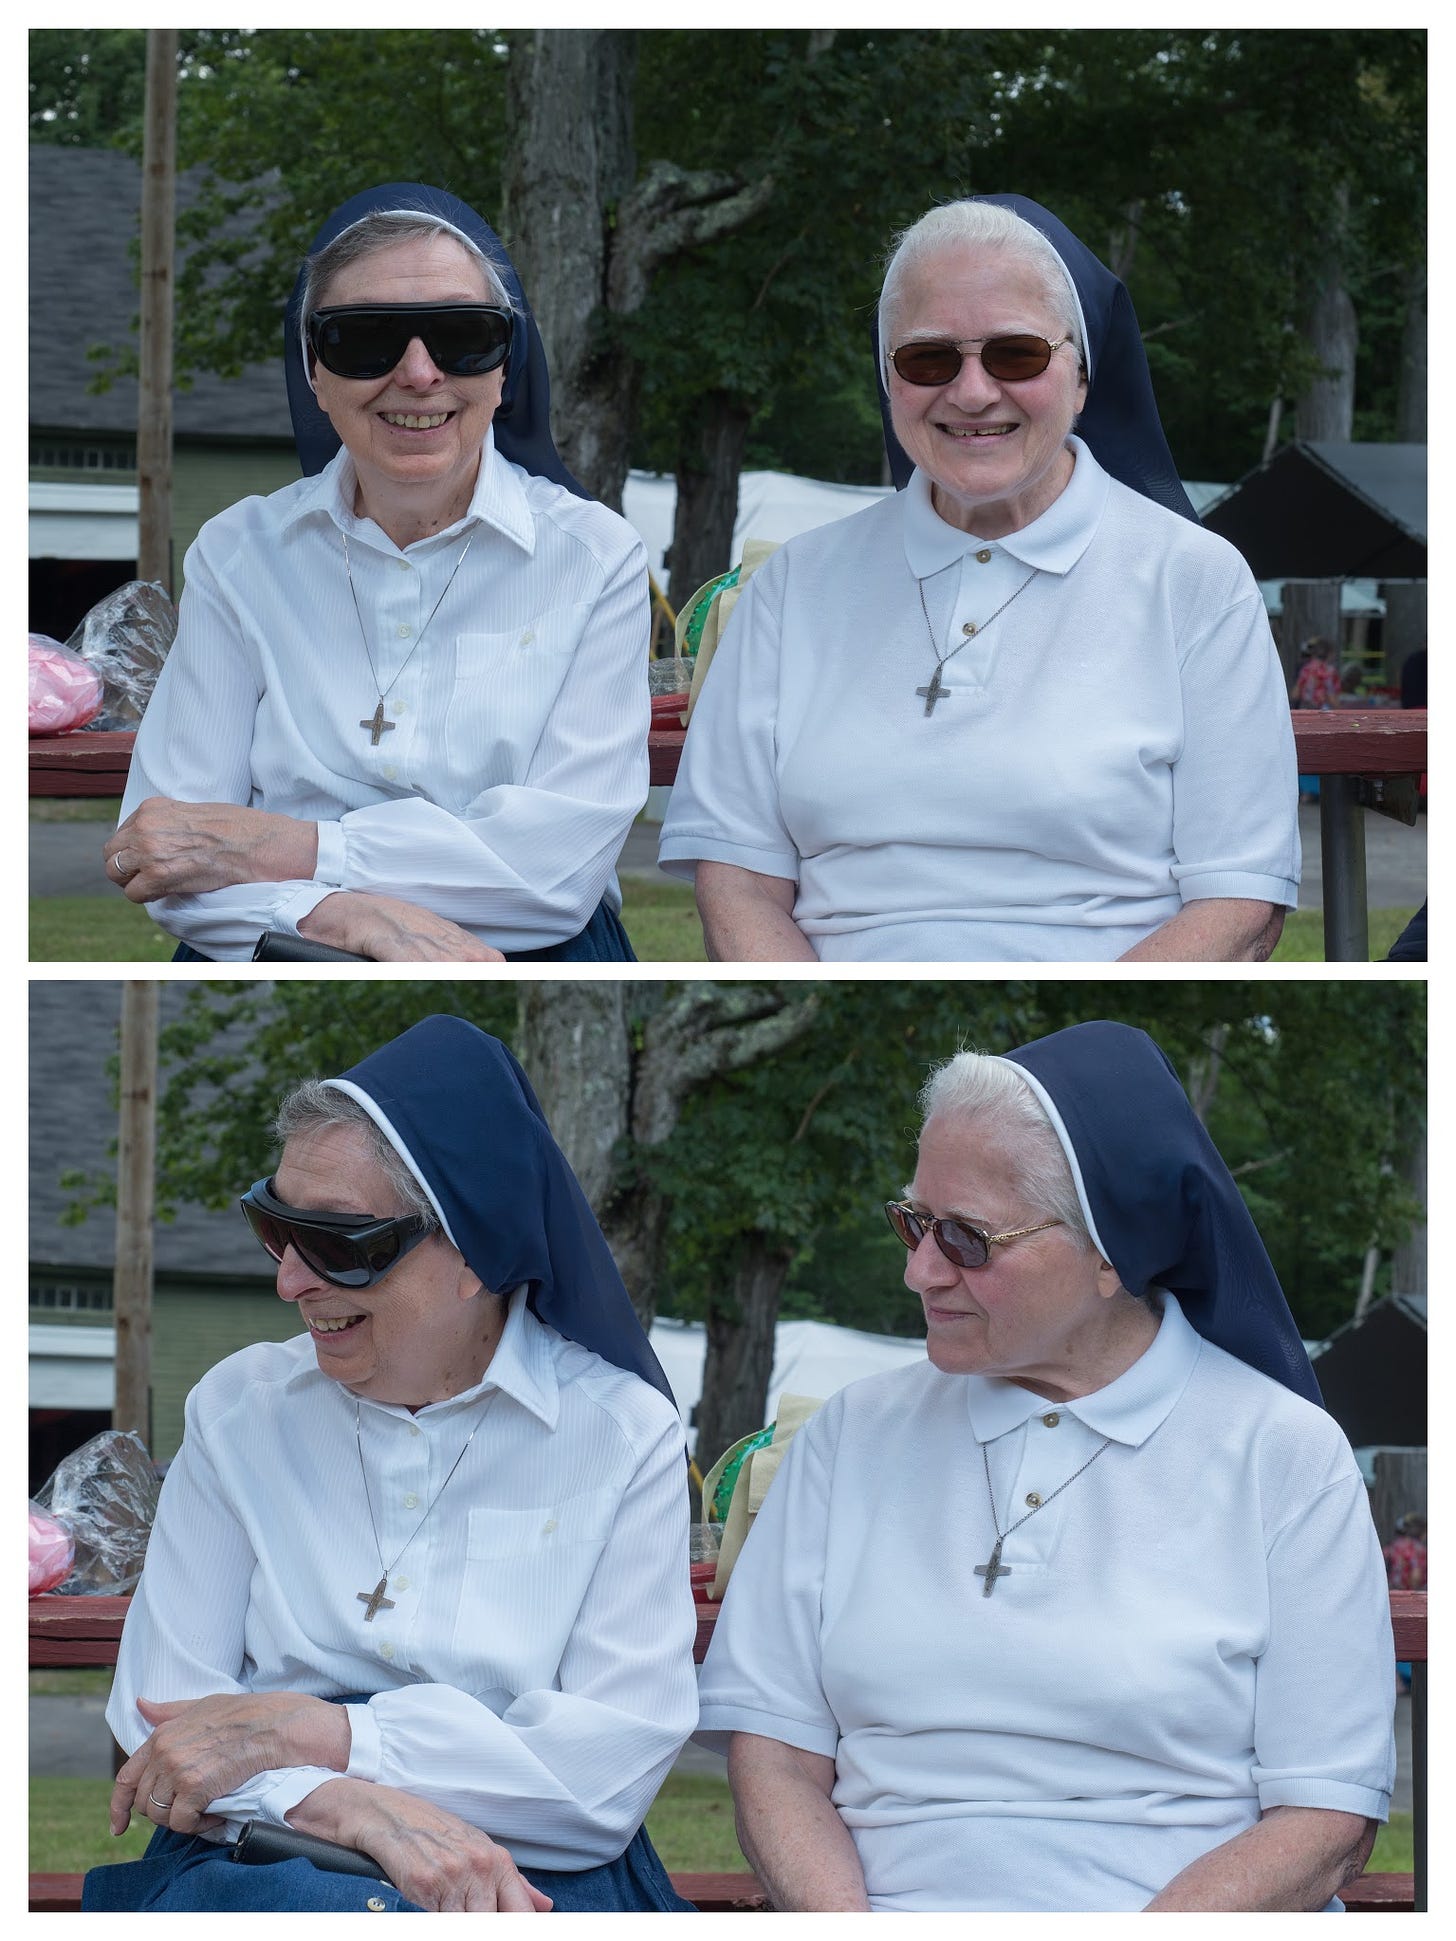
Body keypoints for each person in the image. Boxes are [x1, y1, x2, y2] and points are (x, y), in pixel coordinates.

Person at [696, 1021, 1394, 1911]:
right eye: (914, 1220)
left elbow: (1325, 1816)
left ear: (1112, 1253)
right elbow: (776, 1753)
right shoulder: (851, 1435)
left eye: (967, 1239)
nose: (919, 1270)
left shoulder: (1284, 1453)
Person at [82, 1016, 697, 1913]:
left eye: (338, 1243)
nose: (290, 1281)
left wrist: (317, 1731)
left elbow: (599, 1778)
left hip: (534, 1868)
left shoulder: (622, 1432)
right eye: (273, 1224)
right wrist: (355, 1803)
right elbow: (167, 1717)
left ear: (476, 1251)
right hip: (264, 1857)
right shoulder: (237, 1407)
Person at [659, 195, 1299, 961]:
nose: (971, 392)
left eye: (1015, 354)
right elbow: (737, 879)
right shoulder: (793, 585)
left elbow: (1240, 898)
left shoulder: (1196, 581)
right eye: (928, 358)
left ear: (1083, 375)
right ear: (888, 378)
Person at [103, 184, 649, 962]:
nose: (419, 372)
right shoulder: (237, 553)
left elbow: (551, 874)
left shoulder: (597, 559)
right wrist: (341, 914)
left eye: (463, 336)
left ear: (506, 370)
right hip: (284, 948)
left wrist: (281, 844)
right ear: (315, 374)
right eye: (366, 339)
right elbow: (167, 849)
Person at [1292, 636, 1342, 709]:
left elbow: (1295, 694)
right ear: (1330, 654)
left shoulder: (1306, 669)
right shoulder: (1329, 672)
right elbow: (1331, 697)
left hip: (1305, 710)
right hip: (1322, 712)